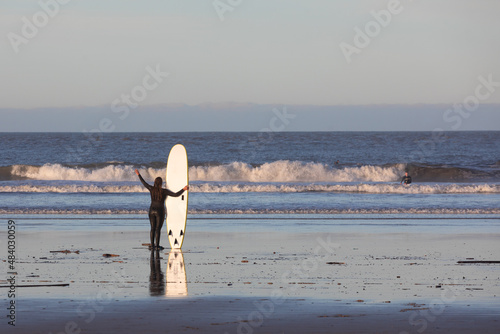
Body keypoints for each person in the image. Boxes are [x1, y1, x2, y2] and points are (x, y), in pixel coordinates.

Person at [135, 169, 188, 250]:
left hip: (151, 210)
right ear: (161, 183)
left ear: (155, 182)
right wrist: (183, 189)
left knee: (152, 228)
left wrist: (138, 174)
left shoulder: (151, 189)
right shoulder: (164, 191)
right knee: (158, 229)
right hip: (160, 211)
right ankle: (157, 246)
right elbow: (176, 194)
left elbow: (144, 183)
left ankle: (152, 246)